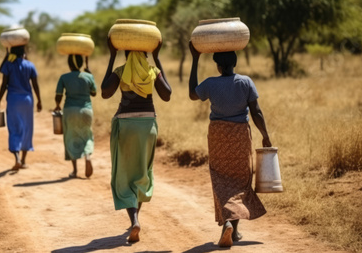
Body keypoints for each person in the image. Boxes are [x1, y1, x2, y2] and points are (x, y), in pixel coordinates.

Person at [188, 41, 272, 247]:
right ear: (234, 63)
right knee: (240, 179)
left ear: (218, 66)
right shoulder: (246, 82)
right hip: (240, 136)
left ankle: (228, 225)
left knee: (220, 178)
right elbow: (256, 111)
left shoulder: (210, 83)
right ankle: (233, 229)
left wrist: (195, 59)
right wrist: (265, 135)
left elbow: (192, 94)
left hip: (218, 136)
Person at [101, 37, 172, 243]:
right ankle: (136, 218)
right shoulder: (152, 72)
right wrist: (157, 61)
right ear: (146, 54)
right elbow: (167, 95)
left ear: (125, 55)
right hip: (147, 126)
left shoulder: (121, 72)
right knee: (142, 171)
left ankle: (134, 220)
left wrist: (112, 57)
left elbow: (105, 93)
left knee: (123, 173)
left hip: (126, 125)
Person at [0, 44, 42, 171]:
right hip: (27, 100)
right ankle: (24, 160)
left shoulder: (9, 65)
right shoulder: (30, 65)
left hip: (13, 100)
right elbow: (35, 85)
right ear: (24, 53)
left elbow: (4, 84)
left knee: (14, 128)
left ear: (12, 54)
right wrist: (39, 101)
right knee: (27, 128)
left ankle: (17, 159)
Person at [54, 55, 97, 178]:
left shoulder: (64, 77)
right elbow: (94, 93)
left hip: (70, 110)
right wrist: (90, 73)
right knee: (87, 134)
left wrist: (57, 105)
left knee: (70, 136)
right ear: (81, 63)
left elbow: (59, 95)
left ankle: (75, 170)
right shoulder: (88, 76)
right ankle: (87, 156)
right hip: (86, 110)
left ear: (69, 64)